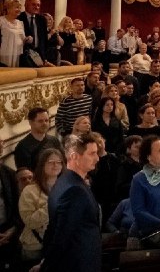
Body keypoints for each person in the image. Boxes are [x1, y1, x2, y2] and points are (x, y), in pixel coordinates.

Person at [39, 133, 101, 272]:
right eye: (92, 153)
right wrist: (45, 265)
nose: (97, 158)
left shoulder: (63, 181)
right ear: (74, 156)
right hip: (78, 264)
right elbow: (62, 236)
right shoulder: (74, 190)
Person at [19, 148, 64, 264]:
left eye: (59, 162)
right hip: (36, 246)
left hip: (61, 244)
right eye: (50, 162)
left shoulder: (66, 187)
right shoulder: (30, 190)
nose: (55, 165)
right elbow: (30, 221)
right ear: (42, 164)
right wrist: (52, 204)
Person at [14, 108, 62, 172]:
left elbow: (62, 161)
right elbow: (26, 173)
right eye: (40, 121)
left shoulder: (54, 140)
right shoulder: (22, 147)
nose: (44, 123)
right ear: (31, 123)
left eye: (46, 120)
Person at [0, 0, 26, 67]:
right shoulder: (1, 21)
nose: (19, 10)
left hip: (17, 54)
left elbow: (23, 39)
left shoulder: (20, 23)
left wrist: (28, 39)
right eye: (17, 7)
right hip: (4, 53)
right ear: (8, 8)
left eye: (20, 7)